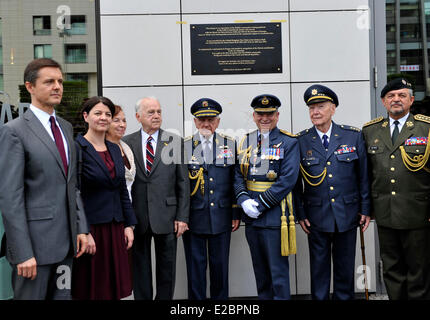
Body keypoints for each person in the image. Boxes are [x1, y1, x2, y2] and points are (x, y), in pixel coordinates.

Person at [0, 58, 88, 300]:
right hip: (34, 252)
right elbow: (10, 198)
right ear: (30, 87)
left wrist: (81, 228)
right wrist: (22, 253)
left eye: (59, 81)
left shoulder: (66, 127)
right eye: (49, 82)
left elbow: (72, 185)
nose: (57, 86)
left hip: (67, 247)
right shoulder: (14, 131)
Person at [295, 84, 370, 300]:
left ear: (333, 108)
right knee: (318, 268)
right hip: (315, 215)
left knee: (345, 268)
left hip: (347, 213)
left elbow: (363, 176)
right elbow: (296, 183)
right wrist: (301, 214)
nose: (315, 112)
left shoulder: (352, 136)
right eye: (311, 108)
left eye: (320, 106)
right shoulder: (301, 140)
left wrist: (365, 209)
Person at [362, 78, 430, 300]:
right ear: (383, 101)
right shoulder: (370, 131)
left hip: (418, 213)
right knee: (392, 269)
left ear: (411, 100)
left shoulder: (425, 127)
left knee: (418, 271)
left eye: (401, 95)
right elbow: (366, 173)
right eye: (391, 96)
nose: (396, 99)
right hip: (385, 213)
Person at [123, 97, 190, 300]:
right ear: (138, 116)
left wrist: (183, 217)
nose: (156, 116)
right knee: (140, 270)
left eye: (159, 112)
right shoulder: (126, 143)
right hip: (138, 217)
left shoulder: (174, 141)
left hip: (168, 216)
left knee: (167, 270)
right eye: (150, 112)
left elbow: (183, 183)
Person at [234, 94, 300, 300]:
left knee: (278, 275)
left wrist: (260, 204)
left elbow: (287, 180)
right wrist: (243, 200)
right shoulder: (246, 140)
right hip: (252, 218)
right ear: (254, 115)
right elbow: (237, 174)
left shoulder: (289, 142)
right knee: (261, 275)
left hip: (274, 216)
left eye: (269, 113)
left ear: (277, 115)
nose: (265, 118)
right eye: (260, 114)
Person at [71, 96, 137, 300]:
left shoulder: (115, 149)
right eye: (98, 113)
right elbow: (74, 193)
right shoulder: (77, 149)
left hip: (115, 228)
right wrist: (83, 230)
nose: (103, 118)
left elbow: (122, 190)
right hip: (92, 230)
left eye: (108, 114)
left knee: (115, 288)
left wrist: (128, 225)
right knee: (92, 288)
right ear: (86, 116)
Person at [183, 98, 241, 300]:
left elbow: (235, 181)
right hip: (193, 218)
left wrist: (235, 212)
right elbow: (180, 186)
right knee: (195, 270)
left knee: (220, 269)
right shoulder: (184, 146)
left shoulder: (230, 144)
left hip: (222, 217)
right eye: (201, 120)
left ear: (217, 121)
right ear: (195, 121)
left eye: (210, 119)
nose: (206, 124)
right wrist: (182, 217)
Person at [106, 105, 136, 199]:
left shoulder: (126, 147)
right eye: (116, 120)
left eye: (124, 120)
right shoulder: (102, 149)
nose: (122, 125)